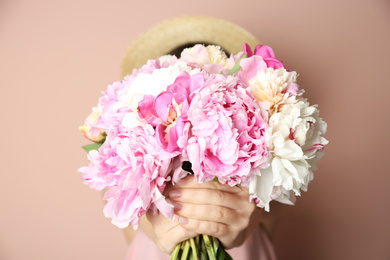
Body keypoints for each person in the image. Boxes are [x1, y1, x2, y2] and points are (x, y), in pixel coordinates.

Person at [123, 174, 289, 259]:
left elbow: (289, 183)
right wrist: (149, 222)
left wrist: (257, 205)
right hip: (154, 244)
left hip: (244, 239)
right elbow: (108, 174)